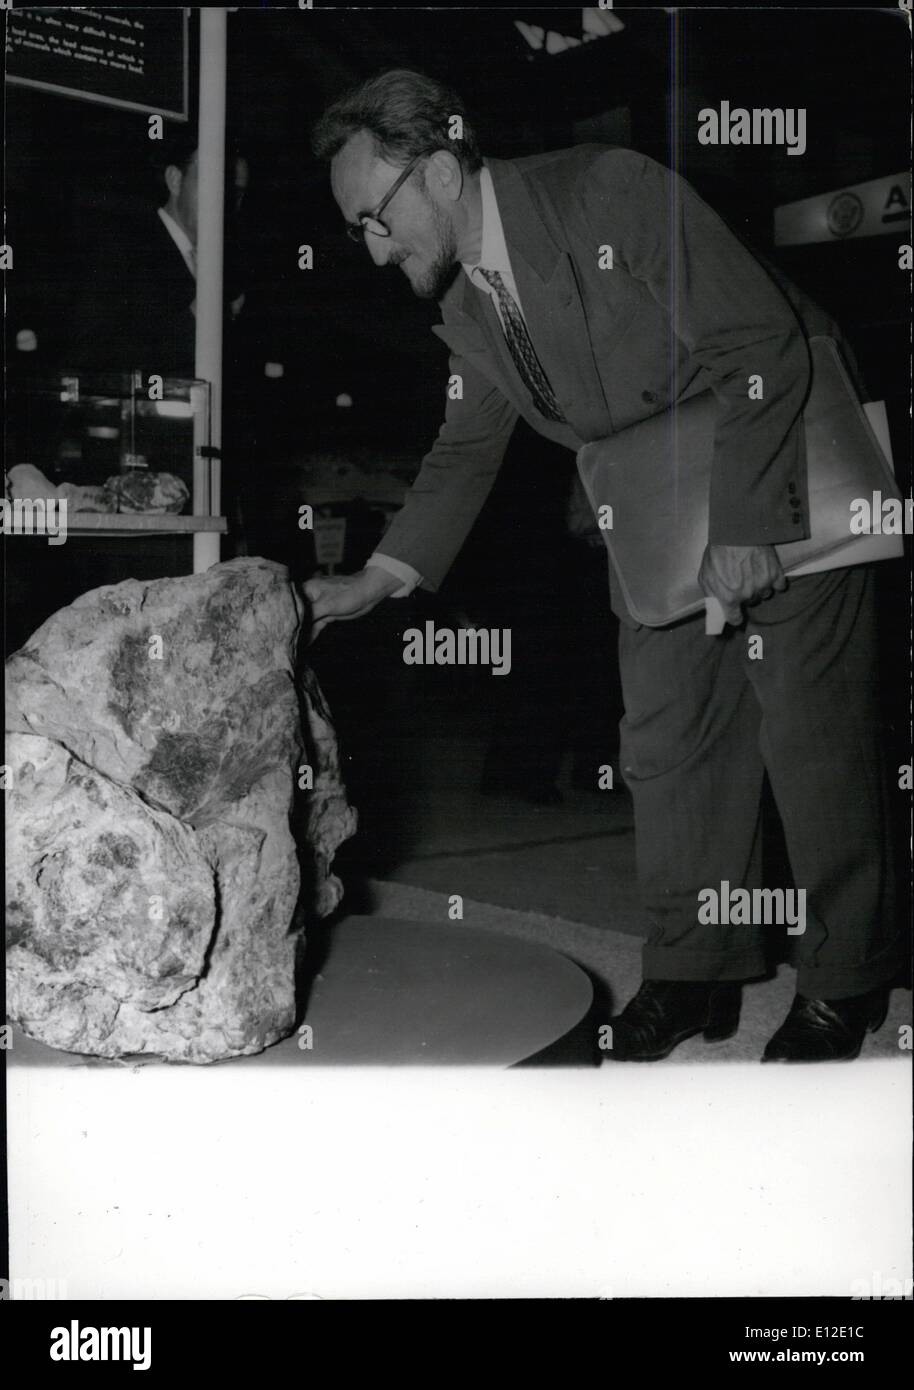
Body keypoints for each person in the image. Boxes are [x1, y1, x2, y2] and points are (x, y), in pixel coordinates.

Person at [304, 69, 904, 1062]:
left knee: (811, 732)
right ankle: (692, 971)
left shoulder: (608, 191)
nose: (374, 249)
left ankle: (844, 984)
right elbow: (465, 448)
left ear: (443, 174)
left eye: (375, 218)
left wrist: (749, 521)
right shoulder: (462, 304)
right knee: (667, 740)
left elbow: (759, 343)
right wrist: (380, 577)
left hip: (780, 441)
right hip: (655, 493)